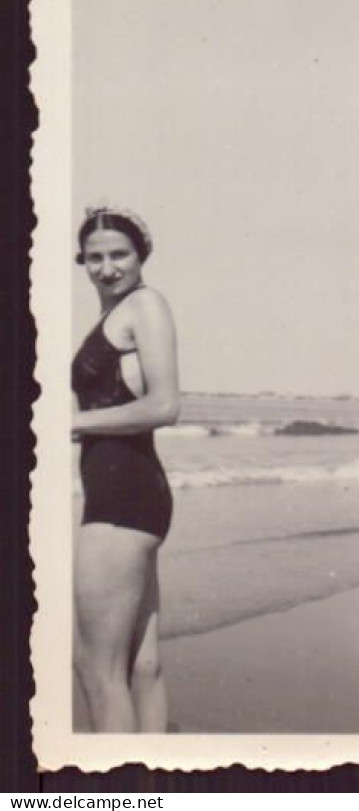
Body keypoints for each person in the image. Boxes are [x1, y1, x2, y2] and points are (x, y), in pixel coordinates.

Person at [71, 205, 179, 732]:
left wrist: (69, 422)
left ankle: (116, 789)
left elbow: (164, 406)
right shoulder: (119, 314)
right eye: (95, 257)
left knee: (96, 667)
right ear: (82, 261)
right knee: (141, 665)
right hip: (136, 495)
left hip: (120, 498)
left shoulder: (145, 305)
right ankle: (152, 783)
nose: (107, 267)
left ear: (141, 256)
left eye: (119, 254)